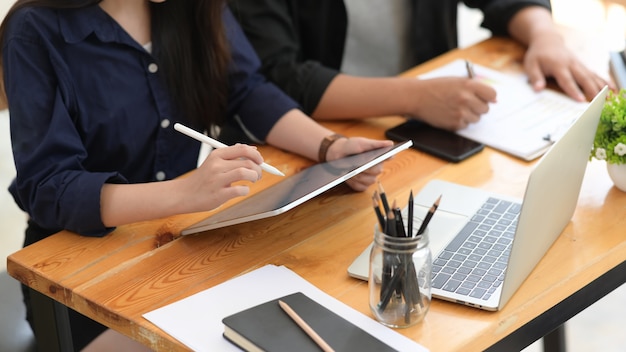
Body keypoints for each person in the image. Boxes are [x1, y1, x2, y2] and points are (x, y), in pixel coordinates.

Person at [0, 0, 393, 350]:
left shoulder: (193, 8)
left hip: (179, 252)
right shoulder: (35, 29)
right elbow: (50, 186)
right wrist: (183, 194)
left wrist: (330, 147)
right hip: (76, 275)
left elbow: (246, 90)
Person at [228, 0, 611, 131]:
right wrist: (414, 97)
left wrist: (543, 34)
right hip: (315, 134)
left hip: (436, 119)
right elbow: (273, 80)